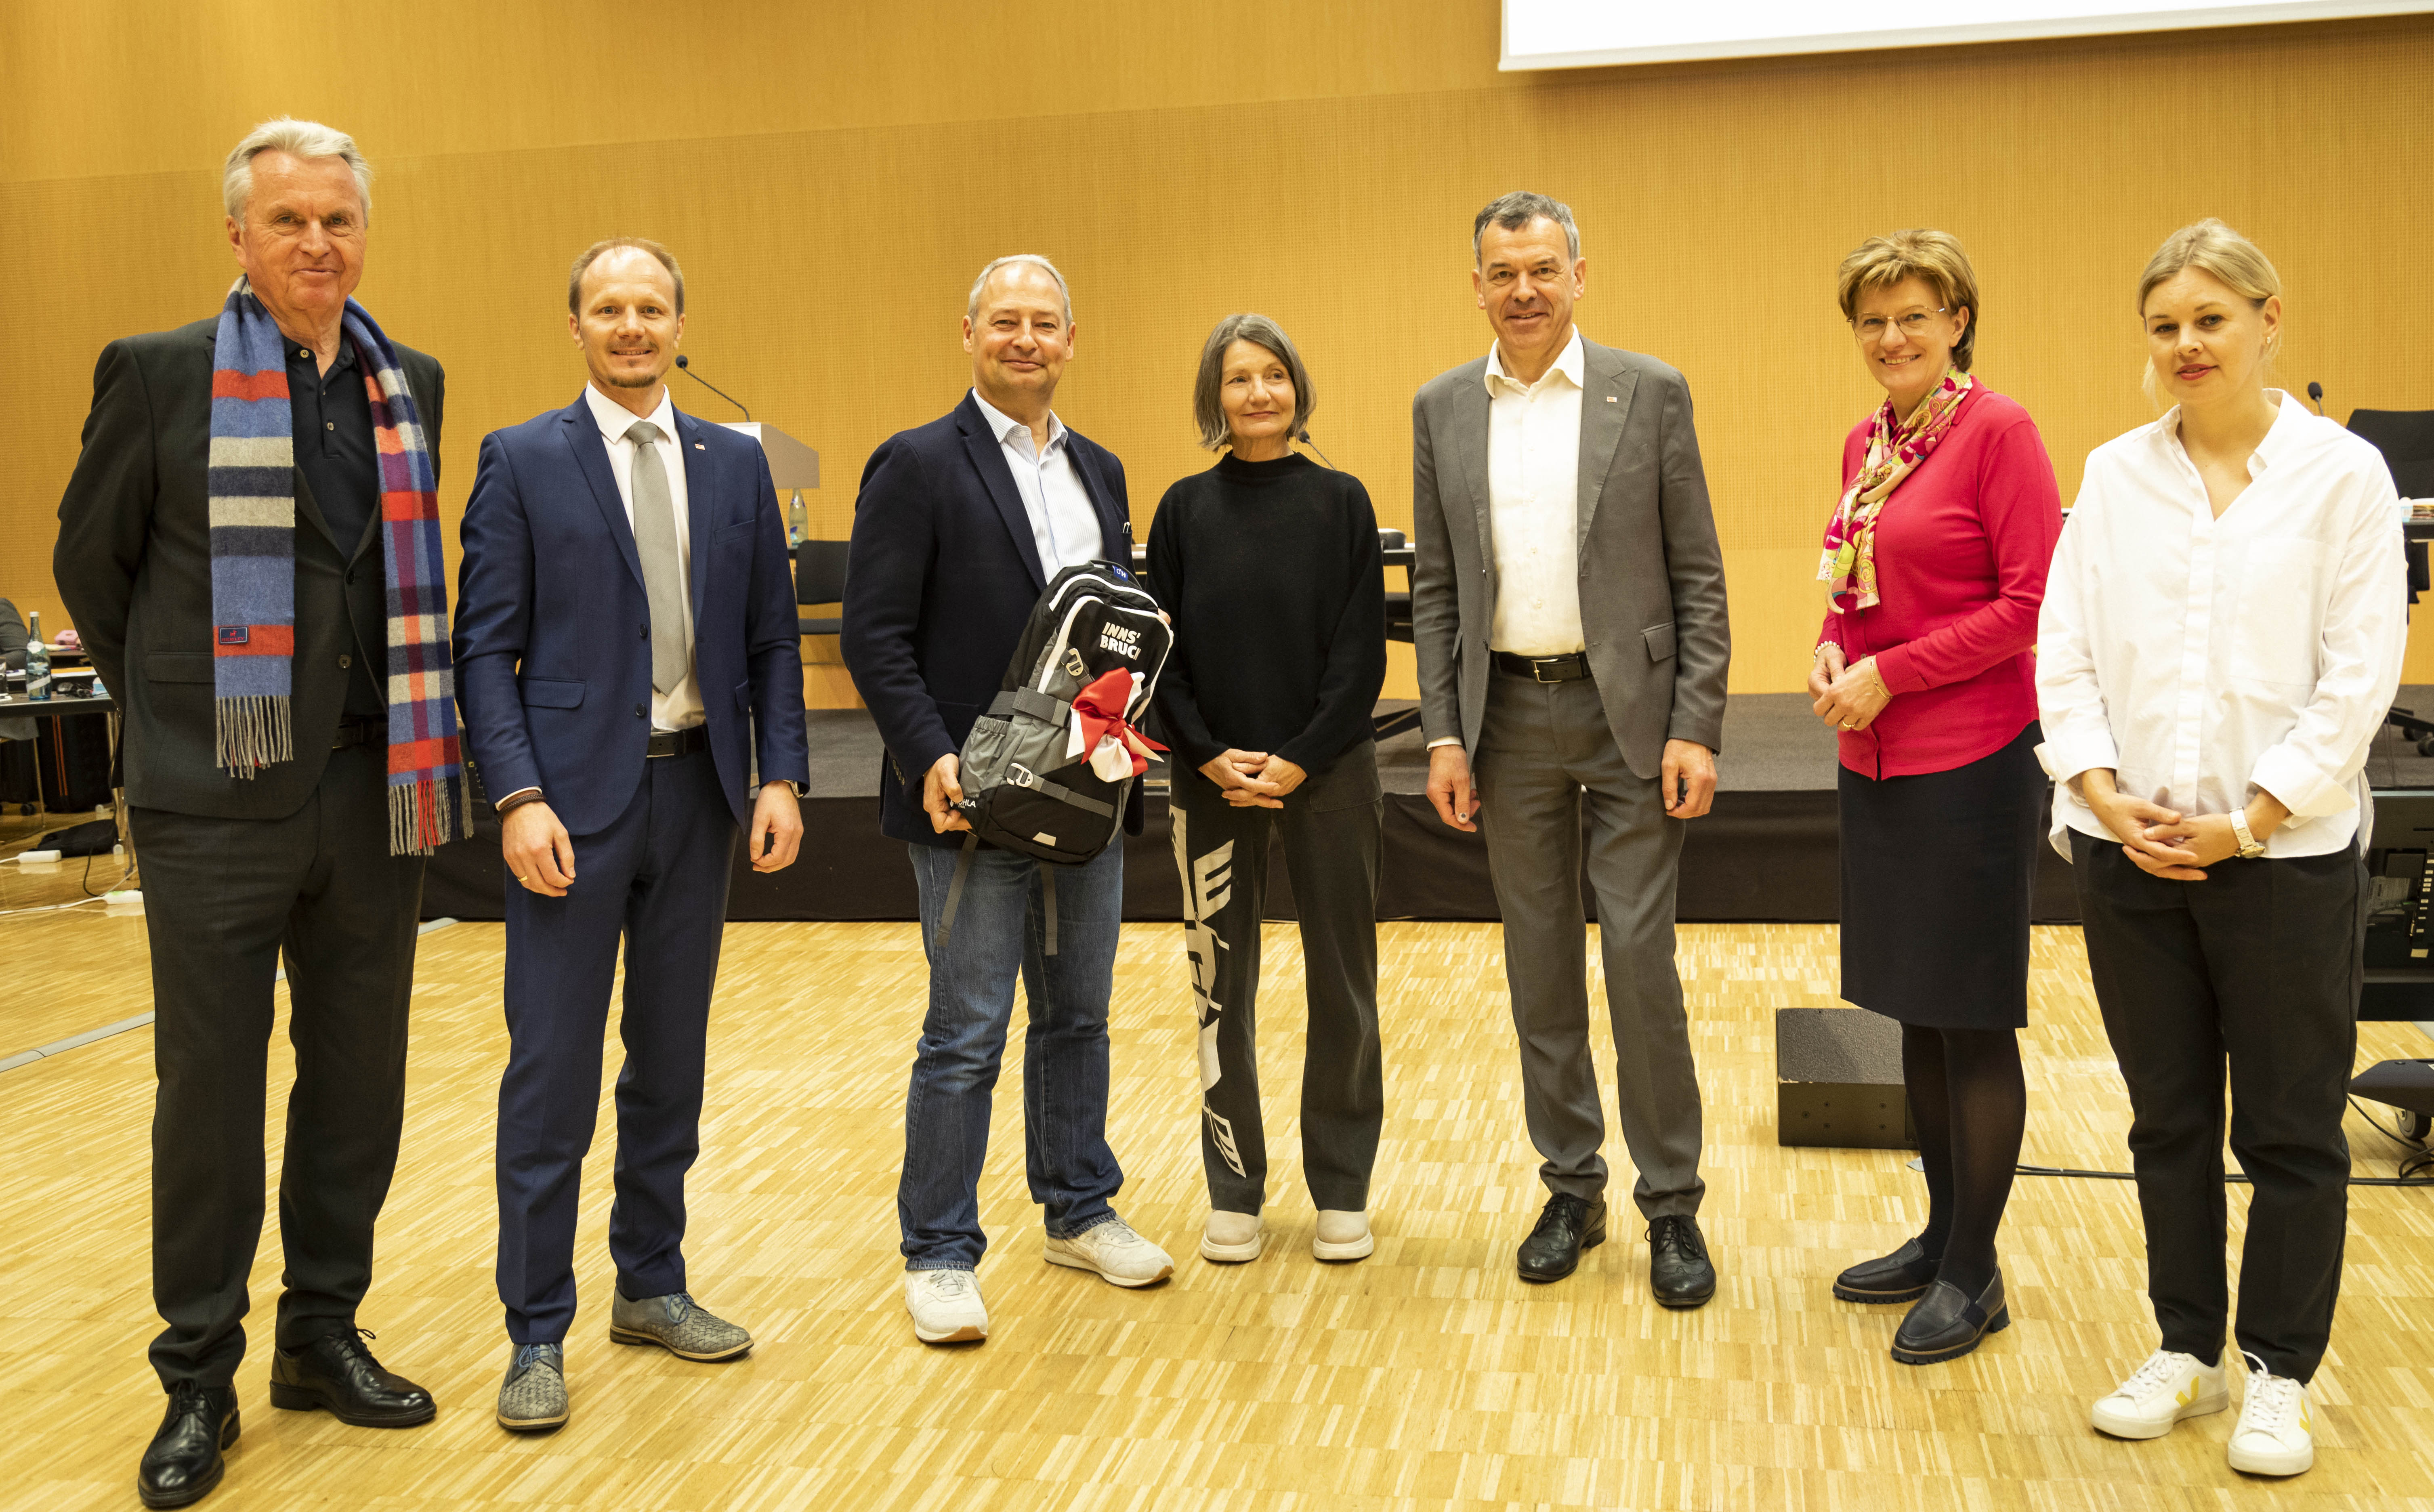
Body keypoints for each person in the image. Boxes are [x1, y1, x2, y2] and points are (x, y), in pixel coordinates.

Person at [53, 118, 468, 1510]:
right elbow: (93, 566)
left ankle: (320, 1333)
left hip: (374, 793)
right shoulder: (162, 375)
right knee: (212, 1097)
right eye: (287, 220)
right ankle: (197, 1375)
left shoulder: (409, 382)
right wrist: (181, 709)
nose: (316, 244)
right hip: (215, 800)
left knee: (358, 1085)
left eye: (337, 220)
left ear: (364, 232)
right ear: (237, 234)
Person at [2039, 218, 2405, 1478]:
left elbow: (2361, 676)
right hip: (2126, 852)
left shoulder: (2343, 478)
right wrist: (2098, 788)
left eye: (2209, 319)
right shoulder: (2111, 475)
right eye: (2163, 325)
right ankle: (2186, 1346)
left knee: (2293, 1131)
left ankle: (2279, 1375)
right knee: (2167, 1118)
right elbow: (2065, 653)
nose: (2186, 345)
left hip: (2282, 863)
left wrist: (2248, 821)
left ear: (2267, 320)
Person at [454, 238, 809, 1429]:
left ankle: (650, 1285)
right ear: (575, 327)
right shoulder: (521, 461)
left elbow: (771, 638)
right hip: (567, 812)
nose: (630, 326)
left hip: (698, 798)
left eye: (649, 307)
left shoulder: (731, 463)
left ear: (677, 322)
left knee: (670, 1066)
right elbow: (483, 653)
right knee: (550, 1077)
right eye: (607, 308)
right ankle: (535, 1330)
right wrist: (516, 797)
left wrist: (781, 777)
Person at [842, 254, 1175, 1346]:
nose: (1023, 339)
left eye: (1043, 324)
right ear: (969, 333)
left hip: (1088, 797)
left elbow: (1113, 636)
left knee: (1077, 1013)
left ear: (1071, 342)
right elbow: (875, 638)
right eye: (1004, 322)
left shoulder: (1104, 471)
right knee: (967, 1031)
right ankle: (937, 1250)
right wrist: (927, 757)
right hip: (967, 799)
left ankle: (1077, 1207)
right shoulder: (915, 464)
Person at [1409, 191, 1730, 1301]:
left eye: (1542, 269)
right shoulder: (1442, 407)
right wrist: (1442, 735)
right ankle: (1570, 1185)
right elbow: (1439, 591)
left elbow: (1696, 572)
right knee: (1537, 963)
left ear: (1578, 276)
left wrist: (1696, 722)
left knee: (1639, 961)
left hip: (1631, 718)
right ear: (1478, 285)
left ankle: (1672, 1206)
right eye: (1503, 273)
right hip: (1504, 722)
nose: (1524, 291)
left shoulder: (1649, 391)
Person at [1808, 230, 2063, 1364]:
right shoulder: (1872, 441)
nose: (1890, 338)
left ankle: (1976, 1272)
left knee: (1970, 1016)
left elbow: (2029, 603)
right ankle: (1936, 1233)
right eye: (1872, 321)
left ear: (1957, 317)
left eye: (1912, 315)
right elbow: (1852, 593)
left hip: (1967, 759)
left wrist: (1888, 675)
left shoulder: (1997, 432)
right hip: (1874, 762)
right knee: (1912, 1007)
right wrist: (1827, 650)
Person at [1149, 314, 1388, 1265]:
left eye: (1274, 376)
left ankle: (1341, 1188)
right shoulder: (1181, 508)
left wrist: (1297, 757)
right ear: (1214, 397)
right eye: (1238, 379)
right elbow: (1159, 651)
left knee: (1344, 986)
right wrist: (1206, 754)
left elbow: (1360, 652)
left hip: (1325, 776)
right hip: (1208, 779)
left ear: (1298, 390)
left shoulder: (1340, 502)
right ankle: (1233, 1188)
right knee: (1220, 991)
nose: (1257, 393)